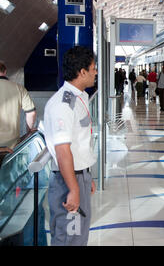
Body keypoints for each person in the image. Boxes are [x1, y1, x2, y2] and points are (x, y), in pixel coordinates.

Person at [43, 46, 97, 246]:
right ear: (82, 72)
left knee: (78, 235)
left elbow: (78, 144)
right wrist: (74, 188)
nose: (95, 72)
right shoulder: (62, 105)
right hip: (68, 181)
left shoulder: (79, 97)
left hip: (78, 176)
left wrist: (85, 176)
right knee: (68, 237)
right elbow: (63, 150)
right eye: (93, 68)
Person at [0, 61, 37, 149]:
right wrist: (29, 132)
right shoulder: (19, 88)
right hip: (11, 147)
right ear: (5, 72)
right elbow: (31, 113)